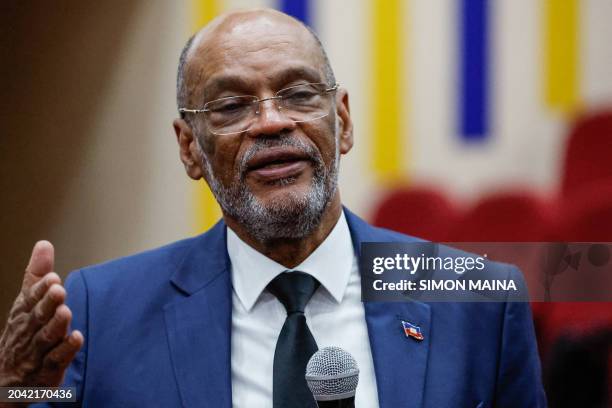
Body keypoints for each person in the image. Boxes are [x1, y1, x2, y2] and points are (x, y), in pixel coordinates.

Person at [0, 8, 546, 407]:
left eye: (299, 93)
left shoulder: (477, 303)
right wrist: (14, 391)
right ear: (190, 147)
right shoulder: (102, 309)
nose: (270, 121)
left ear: (345, 122)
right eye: (232, 105)